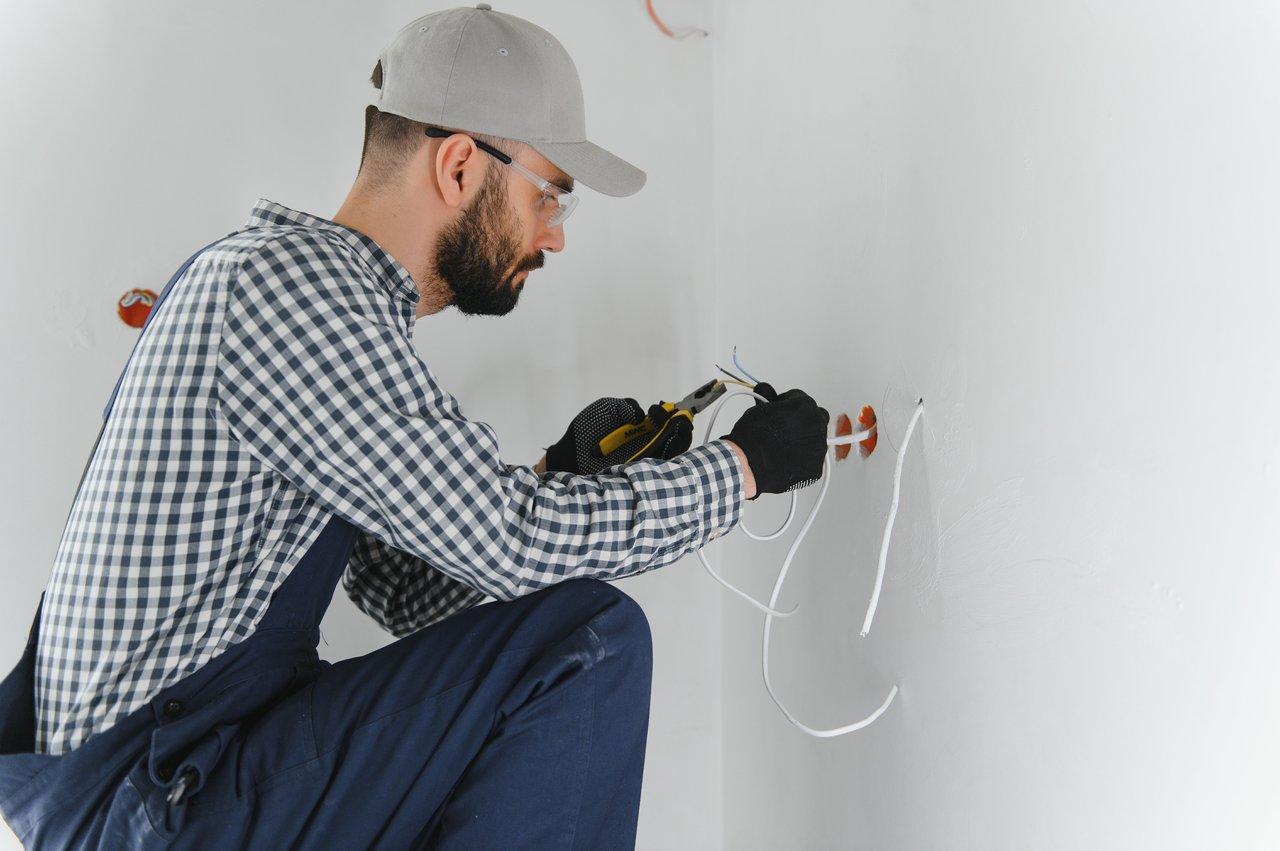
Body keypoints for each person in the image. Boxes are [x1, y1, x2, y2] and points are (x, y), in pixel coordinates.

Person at [0, 5, 829, 848]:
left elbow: (406, 592)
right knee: (586, 639)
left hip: (178, 781)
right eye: (550, 197)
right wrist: (744, 466)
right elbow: (503, 541)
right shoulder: (290, 293)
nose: (553, 236)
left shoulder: (306, 304)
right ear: (462, 164)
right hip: (155, 799)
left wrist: (555, 473)